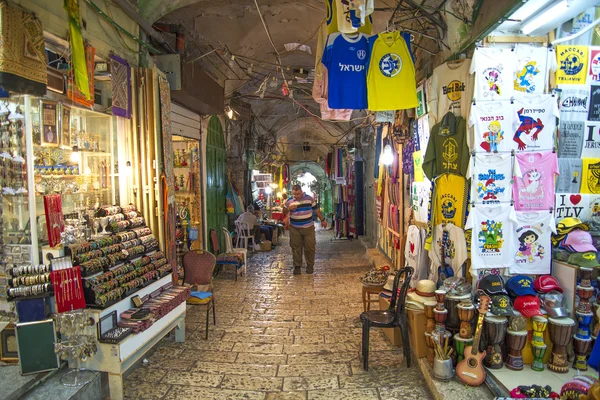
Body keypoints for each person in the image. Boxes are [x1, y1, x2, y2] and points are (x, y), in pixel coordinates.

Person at [283, 184, 327, 275]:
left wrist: (322, 220)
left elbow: (316, 210)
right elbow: (284, 212)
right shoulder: (289, 201)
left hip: (308, 227)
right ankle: (297, 267)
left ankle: (310, 265)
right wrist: (288, 208)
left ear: (301, 191)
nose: (296, 196)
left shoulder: (309, 199)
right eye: (294, 194)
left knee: (310, 247)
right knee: (296, 247)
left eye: (298, 194)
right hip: (295, 228)